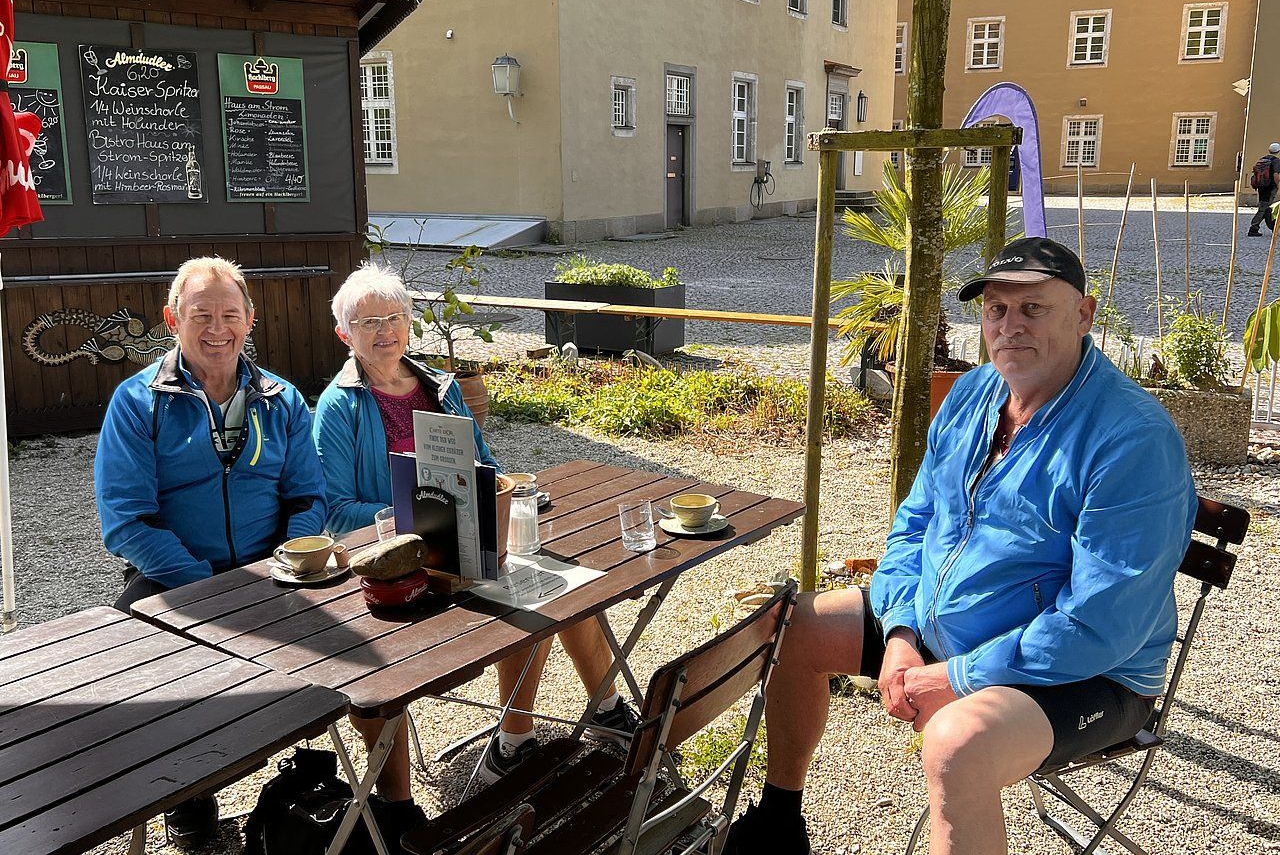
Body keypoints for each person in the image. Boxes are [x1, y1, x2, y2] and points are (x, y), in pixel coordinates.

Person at [724, 237, 1196, 855]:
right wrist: (899, 635)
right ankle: (779, 823)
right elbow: (917, 523)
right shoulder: (974, 395)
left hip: (1095, 673)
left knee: (956, 744)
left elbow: (1103, 623)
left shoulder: (1131, 438)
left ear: (1084, 314)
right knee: (791, 625)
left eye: (1034, 308)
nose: (1010, 327)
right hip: (952, 631)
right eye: (997, 310)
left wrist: (957, 678)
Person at [312, 263, 640, 797]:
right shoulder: (339, 405)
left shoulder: (439, 387)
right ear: (343, 334)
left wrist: (508, 496)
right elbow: (334, 510)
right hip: (401, 566)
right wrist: (415, 518)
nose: (384, 330)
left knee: (564, 583)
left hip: (466, 544)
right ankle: (515, 744)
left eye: (394, 316)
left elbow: (486, 467)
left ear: (411, 323)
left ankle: (601, 709)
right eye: (367, 321)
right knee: (522, 598)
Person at [95, 256, 327, 847]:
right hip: (175, 578)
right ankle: (185, 788)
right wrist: (204, 585)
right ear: (173, 319)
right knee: (152, 680)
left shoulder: (283, 399)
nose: (216, 328)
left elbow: (307, 498)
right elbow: (126, 521)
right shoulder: (135, 400)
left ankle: (309, 774)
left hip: (271, 571)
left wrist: (281, 565)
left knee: (356, 656)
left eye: (230, 314)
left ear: (251, 321)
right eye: (202, 315)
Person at [1248, 142, 1280, 236]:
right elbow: (1276, 175)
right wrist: (1278, 185)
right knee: (1264, 208)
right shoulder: (1276, 161)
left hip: (1261, 186)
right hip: (1270, 187)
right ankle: (1253, 228)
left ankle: (1273, 226)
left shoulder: (1262, 159)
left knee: (1266, 207)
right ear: (1278, 151)